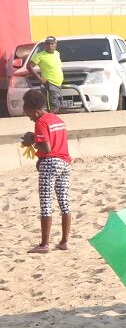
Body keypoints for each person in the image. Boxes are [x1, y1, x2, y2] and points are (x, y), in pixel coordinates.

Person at [20, 89, 72, 253]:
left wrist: (32, 140)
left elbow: (47, 147)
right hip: (65, 162)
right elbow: (56, 144)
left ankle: (44, 244)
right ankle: (64, 241)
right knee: (64, 201)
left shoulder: (40, 122)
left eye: (27, 113)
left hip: (51, 163)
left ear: (35, 111)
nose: (27, 116)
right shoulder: (58, 119)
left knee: (46, 203)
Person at [27, 36, 63, 114]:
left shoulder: (57, 53)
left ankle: (53, 121)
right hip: (49, 84)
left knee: (56, 106)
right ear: (45, 45)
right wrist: (39, 78)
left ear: (55, 44)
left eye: (52, 44)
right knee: (52, 106)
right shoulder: (40, 55)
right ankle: (51, 122)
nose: (50, 45)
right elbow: (29, 66)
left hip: (58, 84)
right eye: (48, 44)